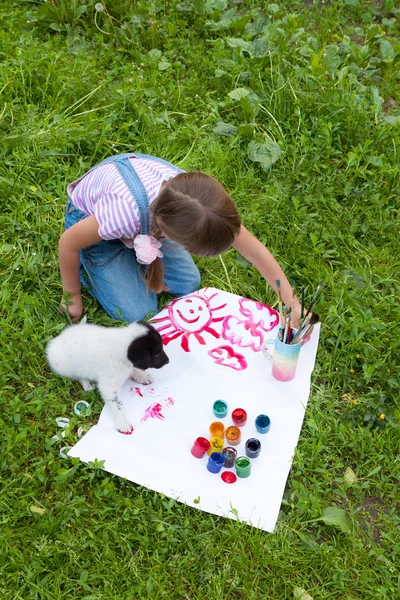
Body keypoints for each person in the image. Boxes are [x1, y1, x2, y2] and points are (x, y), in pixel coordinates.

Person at [59, 152, 303, 326]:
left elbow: (255, 252)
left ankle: (135, 254)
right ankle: (104, 263)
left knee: (189, 284)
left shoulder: (200, 206)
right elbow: (68, 243)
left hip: (145, 220)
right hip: (95, 229)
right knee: (138, 313)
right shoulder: (121, 214)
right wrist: (72, 297)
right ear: (171, 235)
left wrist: (290, 301)